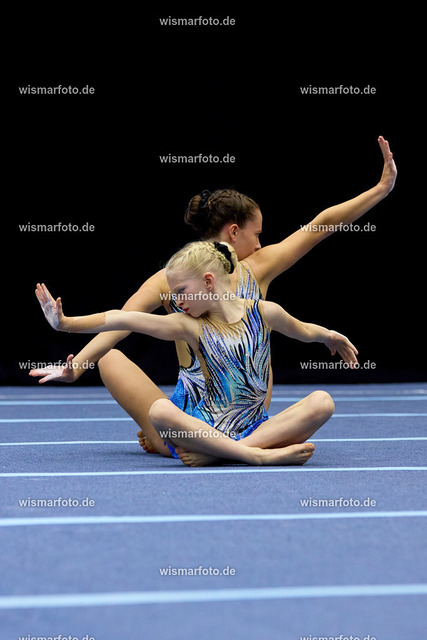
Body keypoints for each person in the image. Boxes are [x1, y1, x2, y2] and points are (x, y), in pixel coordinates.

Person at [30, 137, 396, 459]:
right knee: (109, 358)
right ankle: (219, 442)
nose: (261, 244)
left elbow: (321, 226)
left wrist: (381, 189)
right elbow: (123, 321)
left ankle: (186, 443)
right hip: (194, 406)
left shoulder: (257, 268)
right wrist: (77, 365)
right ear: (234, 231)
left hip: (245, 405)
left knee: (304, 393)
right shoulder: (177, 278)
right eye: (257, 234)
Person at [35, 241, 358, 466]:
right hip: (205, 428)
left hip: (254, 426)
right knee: (160, 412)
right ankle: (256, 455)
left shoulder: (265, 311)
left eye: (181, 291)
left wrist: (329, 336)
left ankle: (223, 452)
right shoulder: (189, 326)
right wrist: (66, 324)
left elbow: (303, 330)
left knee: (322, 402)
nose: (176, 301)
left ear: (208, 281)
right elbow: (123, 318)